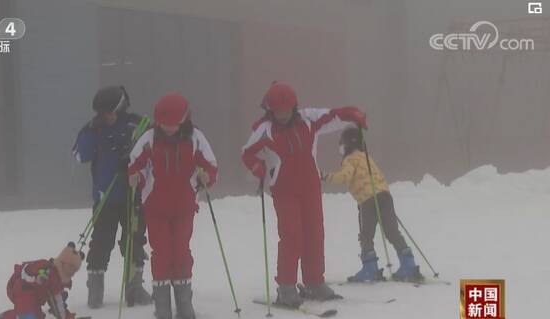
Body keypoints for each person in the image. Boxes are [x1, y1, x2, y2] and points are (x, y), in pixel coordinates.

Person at [242, 81, 367, 307]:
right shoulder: (264, 130)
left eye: (287, 110)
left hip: (310, 187)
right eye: (278, 111)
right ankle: (287, 287)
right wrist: (257, 168)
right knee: (292, 235)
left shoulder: (309, 119)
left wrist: (352, 114)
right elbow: (248, 153)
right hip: (284, 190)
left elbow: (333, 116)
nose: (283, 115)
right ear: (270, 110)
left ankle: (314, 282)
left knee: (314, 234)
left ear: (294, 106)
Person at [128, 92, 218, 319]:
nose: (168, 129)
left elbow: (210, 163)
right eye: (164, 125)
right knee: (161, 252)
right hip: (155, 207)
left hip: (184, 206)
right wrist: (135, 176)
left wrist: (207, 175)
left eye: (173, 125)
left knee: (181, 251)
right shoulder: (148, 139)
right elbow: (134, 163)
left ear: (184, 120)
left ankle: (184, 302)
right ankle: (162, 305)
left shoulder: (195, 138)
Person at [72, 85, 151, 308]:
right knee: (101, 242)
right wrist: (89, 132)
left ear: (120, 108)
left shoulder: (136, 125)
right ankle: (95, 289)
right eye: (100, 113)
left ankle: (134, 287)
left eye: (108, 112)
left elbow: (152, 153)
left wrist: (133, 158)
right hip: (105, 196)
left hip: (134, 195)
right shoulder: (94, 129)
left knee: (134, 240)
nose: (104, 117)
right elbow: (80, 155)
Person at [324, 127, 424, 282]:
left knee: (366, 235)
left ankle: (370, 268)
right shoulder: (366, 156)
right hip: (385, 196)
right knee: (392, 231)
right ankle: (408, 264)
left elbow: (345, 176)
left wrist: (326, 177)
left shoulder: (349, 159)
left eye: (342, 144)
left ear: (347, 145)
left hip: (368, 200)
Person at [0, 242, 83, 319]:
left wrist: (65, 317)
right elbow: (25, 271)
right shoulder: (45, 266)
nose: (72, 272)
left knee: (38, 316)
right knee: (28, 314)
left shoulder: (58, 281)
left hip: (34, 299)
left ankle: (7, 316)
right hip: (20, 289)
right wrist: (36, 278)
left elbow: (57, 302)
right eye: (70, 268)